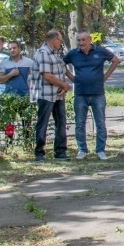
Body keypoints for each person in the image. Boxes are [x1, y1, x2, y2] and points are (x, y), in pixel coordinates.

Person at [63, 31, 119, 160]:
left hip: (97, 93)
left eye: (83, 40)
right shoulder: (73, 54)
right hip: (80, 93)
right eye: (79, 40)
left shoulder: (100, 51)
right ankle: (82, 150)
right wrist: (71, 77)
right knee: (79, 123)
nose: (81, 43)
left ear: (89, 40)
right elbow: (61, 64)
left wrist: (105, 76)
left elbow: (116, 60)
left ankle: (100, 150)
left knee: (100, 122)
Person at [30, 29, 70, 162]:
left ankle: (60, 151)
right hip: (45, 94)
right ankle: (39, 152)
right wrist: (64, 85)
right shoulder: (43, 53)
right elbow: (47, 75)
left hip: (58, 94)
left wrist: (63, 86)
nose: (60, 43)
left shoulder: (55, 54)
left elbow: (61, 72)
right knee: (43, 123)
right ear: (54, 40)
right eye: (60, 40)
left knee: (61, 122)